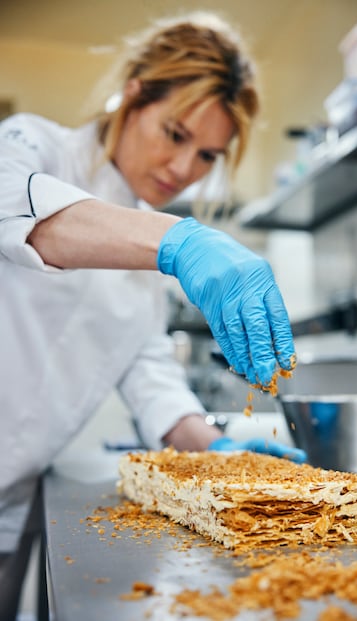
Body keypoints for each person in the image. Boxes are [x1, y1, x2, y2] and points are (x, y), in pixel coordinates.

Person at [0, 11, 305, 619]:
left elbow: (147, 372)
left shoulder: (143, 258)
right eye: (174, 133)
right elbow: (11, 202)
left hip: (11, 511)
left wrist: (218, 455)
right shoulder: (36, 145)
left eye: (206, 155)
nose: (183, 168)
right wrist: (179, 241)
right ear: (135, 93)